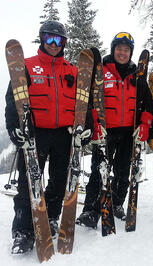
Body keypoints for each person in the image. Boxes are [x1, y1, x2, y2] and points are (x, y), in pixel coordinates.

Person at [5, 20, 92, 254]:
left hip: (64, 134)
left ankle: (51, 217)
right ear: (42, 39)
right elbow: (13, 100)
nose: (54, 44)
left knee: (59, 180)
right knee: (28, 183)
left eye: (60, 40)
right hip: (36, 134)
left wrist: (87, 127)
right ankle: (23, 230)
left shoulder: (72, 71)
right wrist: (14, 128)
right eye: (50, 38)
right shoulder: (28, 66)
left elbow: (85, 103)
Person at [76, 32, 153, 228]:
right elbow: (90, 99)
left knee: (122, 171)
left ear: (130, 52)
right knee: (98, 170)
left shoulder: (137, 76)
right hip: (106, 132)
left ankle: (117, 204)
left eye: (126, 50)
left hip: (129, 132)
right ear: (113, 50)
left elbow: (148, 105)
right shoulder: (101, 71)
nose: (122, 52)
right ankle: (90, 210)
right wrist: (94, 123)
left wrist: (144, 124)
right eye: (119, 48)